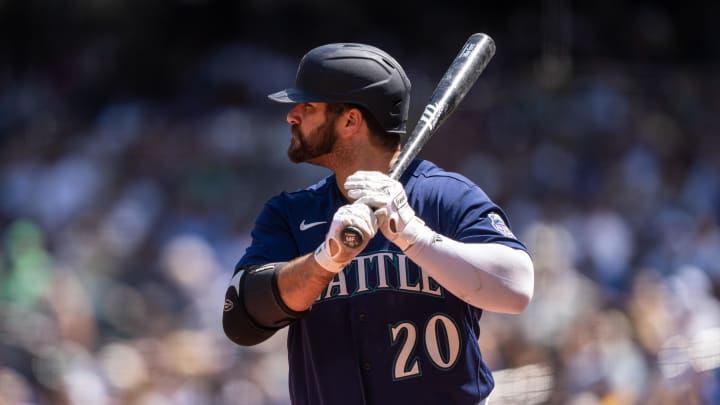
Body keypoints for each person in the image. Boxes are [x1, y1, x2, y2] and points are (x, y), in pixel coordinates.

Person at [222, 41, 534, 405]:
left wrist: (414, 235)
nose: (292, 115)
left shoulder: (444, 197)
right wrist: (325, 260)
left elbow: (517, 287)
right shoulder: (291, 213)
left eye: (308, 106)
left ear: (351, 121)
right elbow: (241, 320)